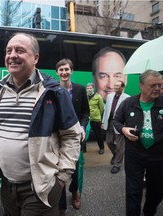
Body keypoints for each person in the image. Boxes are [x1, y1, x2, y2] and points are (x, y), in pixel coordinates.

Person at [0, 33, 81, 216]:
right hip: (6, 185)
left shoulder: (53, 92)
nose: (12, 55)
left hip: (40, 187)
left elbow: (72, 135)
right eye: (9, 51)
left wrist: (62, 177)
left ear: (35, 58)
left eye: (20, 50)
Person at [113, 70, 163, 216]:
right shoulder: (128, 103)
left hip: (159, 157)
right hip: (134, 156)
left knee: (155, 193)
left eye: (159, 85)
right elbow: (116, 121)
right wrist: (123, 129)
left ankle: (149, 212)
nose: (157, 89)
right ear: (141, 85)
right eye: (152, 85)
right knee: (133, 191)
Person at [55, 58, 89, 215]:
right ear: (57, 72)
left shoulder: (81, 89)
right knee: (57, 170)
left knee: (74, 170)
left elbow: (85, 113)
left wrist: (82, 126)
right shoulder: (53, 90)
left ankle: (75, 191)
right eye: (61, 70)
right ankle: (61, 206)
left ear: (71, 71)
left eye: (66, 69)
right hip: (57, 138)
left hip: (76, 137)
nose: (64, 72)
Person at [102, 80, 129, 174]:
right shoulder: (109, 96)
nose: (115, 87)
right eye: (115, 85)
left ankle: (117, 165)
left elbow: (127, 113)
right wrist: (103, 121)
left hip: (120, 124)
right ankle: (116, 155)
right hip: (109, 122)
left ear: (122, 87)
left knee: (120, 145)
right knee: (109, 142)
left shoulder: (127, 98)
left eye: (118, 86)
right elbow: (106, 110)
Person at [86, 83, 104, 154]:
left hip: (95, 119)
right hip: (87, 119)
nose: (89, 89)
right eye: (88, 88)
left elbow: (101, 108)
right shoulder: (85, 96)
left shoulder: (98, 97)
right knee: (85, 134)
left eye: (90, 88)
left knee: (98, 135)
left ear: (93, 89)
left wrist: (98, 115)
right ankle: (84, 148)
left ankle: (101, 148)